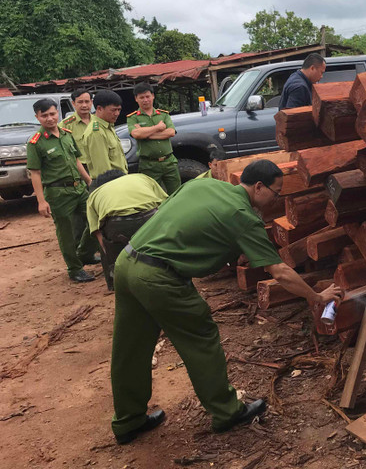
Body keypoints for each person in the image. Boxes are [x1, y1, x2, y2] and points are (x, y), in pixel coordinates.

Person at [110, 160, 343, 444]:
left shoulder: (204, 185)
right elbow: (280, 272)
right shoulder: (243, 216)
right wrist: (316, 297)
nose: (276, 199)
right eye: (276, 193)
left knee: (131, 346)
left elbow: (186, 224)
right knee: (201, 338)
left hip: (127, 261)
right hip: (159, 277)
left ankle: (128, 421)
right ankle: (227, 412)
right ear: (259, 187)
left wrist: (227, 250)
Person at [26, 98, 98, 283]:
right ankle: (75, 269)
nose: (50, 118)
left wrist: (89, 181)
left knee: (96, 219)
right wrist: (41, 201)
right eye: (44, 116)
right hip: (58, 193)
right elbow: (35, 173)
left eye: (52, 114)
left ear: (57, 113)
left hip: (79, 189)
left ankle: (85, 253)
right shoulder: (36, 143)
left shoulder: (67, 134)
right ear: (37, 117)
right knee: (66, 233)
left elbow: (76, 160)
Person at [86, 170, 168, 291]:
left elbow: (96, 231)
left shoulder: (95, 195)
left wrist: (110, 253)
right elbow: (166, 204)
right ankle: (169, 273)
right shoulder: (142, 178)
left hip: (118, 226)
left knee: (106, 240)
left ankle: (117, 283)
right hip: (150, 217)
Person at [127, 83, 180, 194]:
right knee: (152, 195)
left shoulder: (163, 115)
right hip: (148, 165)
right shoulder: (133, 118)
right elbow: (136, 134)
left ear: (153, 96)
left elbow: (171, 132)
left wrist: (146, 134)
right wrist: (158, 128)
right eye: (141, 97)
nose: (145, 100)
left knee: (176, 193)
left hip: (169, 162)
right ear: (136, 99)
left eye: (148, 96)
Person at [83, 90, 127, 179]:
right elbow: (103, 171)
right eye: (113, 110)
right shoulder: (96, 132)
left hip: (119, 180)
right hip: (110, 183)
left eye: (119, 110)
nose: (117, 114)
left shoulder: (108, 126)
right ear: (99, 109)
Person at [61, 88, 95, 173]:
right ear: (73, 103)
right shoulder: (66, 124)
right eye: (80, 102)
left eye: (87, 102)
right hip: (79, 167)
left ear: (91, 102)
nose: (84, 105)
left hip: (97, 164)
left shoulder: (98, 121)